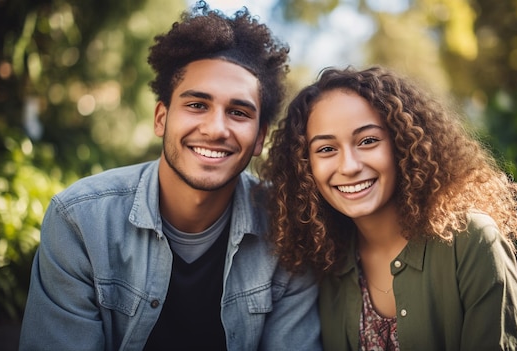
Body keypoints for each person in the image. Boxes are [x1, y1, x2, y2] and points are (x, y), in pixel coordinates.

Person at [19, 2, 321, 350]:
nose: (215, 128)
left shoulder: (287, 228)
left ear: (260, 138)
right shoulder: (80, 222)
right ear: (161, 118)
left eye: (238, 112)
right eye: (197, 105)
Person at [262, 66, 517, 350]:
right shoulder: (326, 261)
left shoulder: (472, 240)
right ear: (305, 166)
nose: (349, 166)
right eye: (326, 149)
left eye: (368, 141)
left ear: (403, 143)